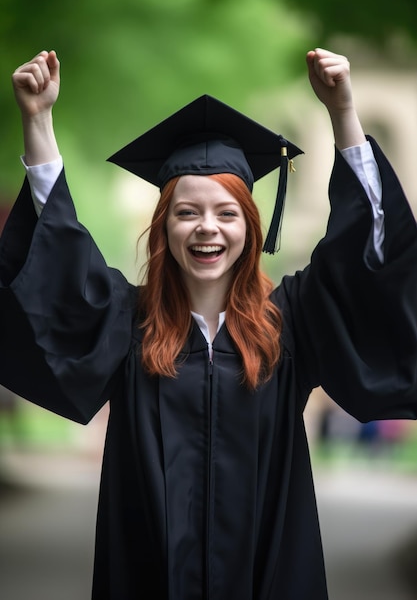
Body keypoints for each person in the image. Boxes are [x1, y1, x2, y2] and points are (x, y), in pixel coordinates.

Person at [1, 48, 417, 600]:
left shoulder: (291, 323)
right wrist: (38, 120)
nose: (207, 229)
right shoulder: (127, 323)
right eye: (186, 212)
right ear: (163, 227)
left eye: (226, 213)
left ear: (249, 223)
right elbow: (58, 268)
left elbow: (365, 258)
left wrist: (343, 112)